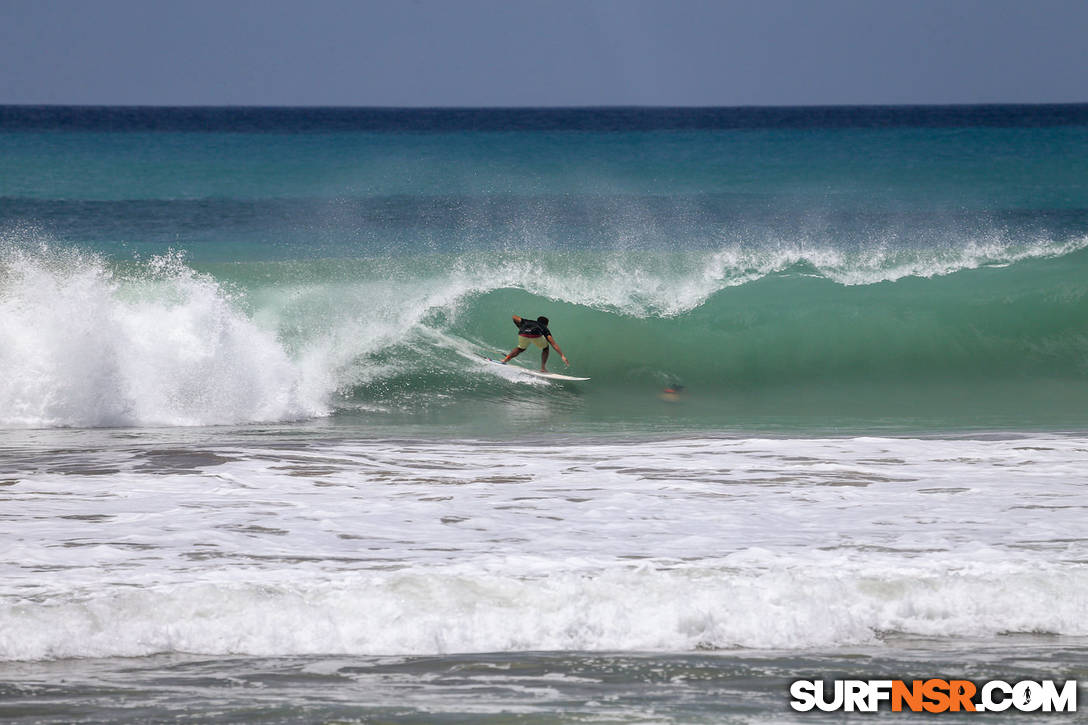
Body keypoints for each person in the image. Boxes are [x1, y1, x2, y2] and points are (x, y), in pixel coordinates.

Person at [500, 314, 569, 372]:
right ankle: (543, 368)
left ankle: (505, 359)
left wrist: (520, 327)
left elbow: (514, 317)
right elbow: (552, 343)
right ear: (546, 324)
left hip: (523, 333)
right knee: (545, 348)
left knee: (520, 348)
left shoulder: (527, 321)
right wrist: (562, 355)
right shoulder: (544, 327)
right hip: (535, 335)